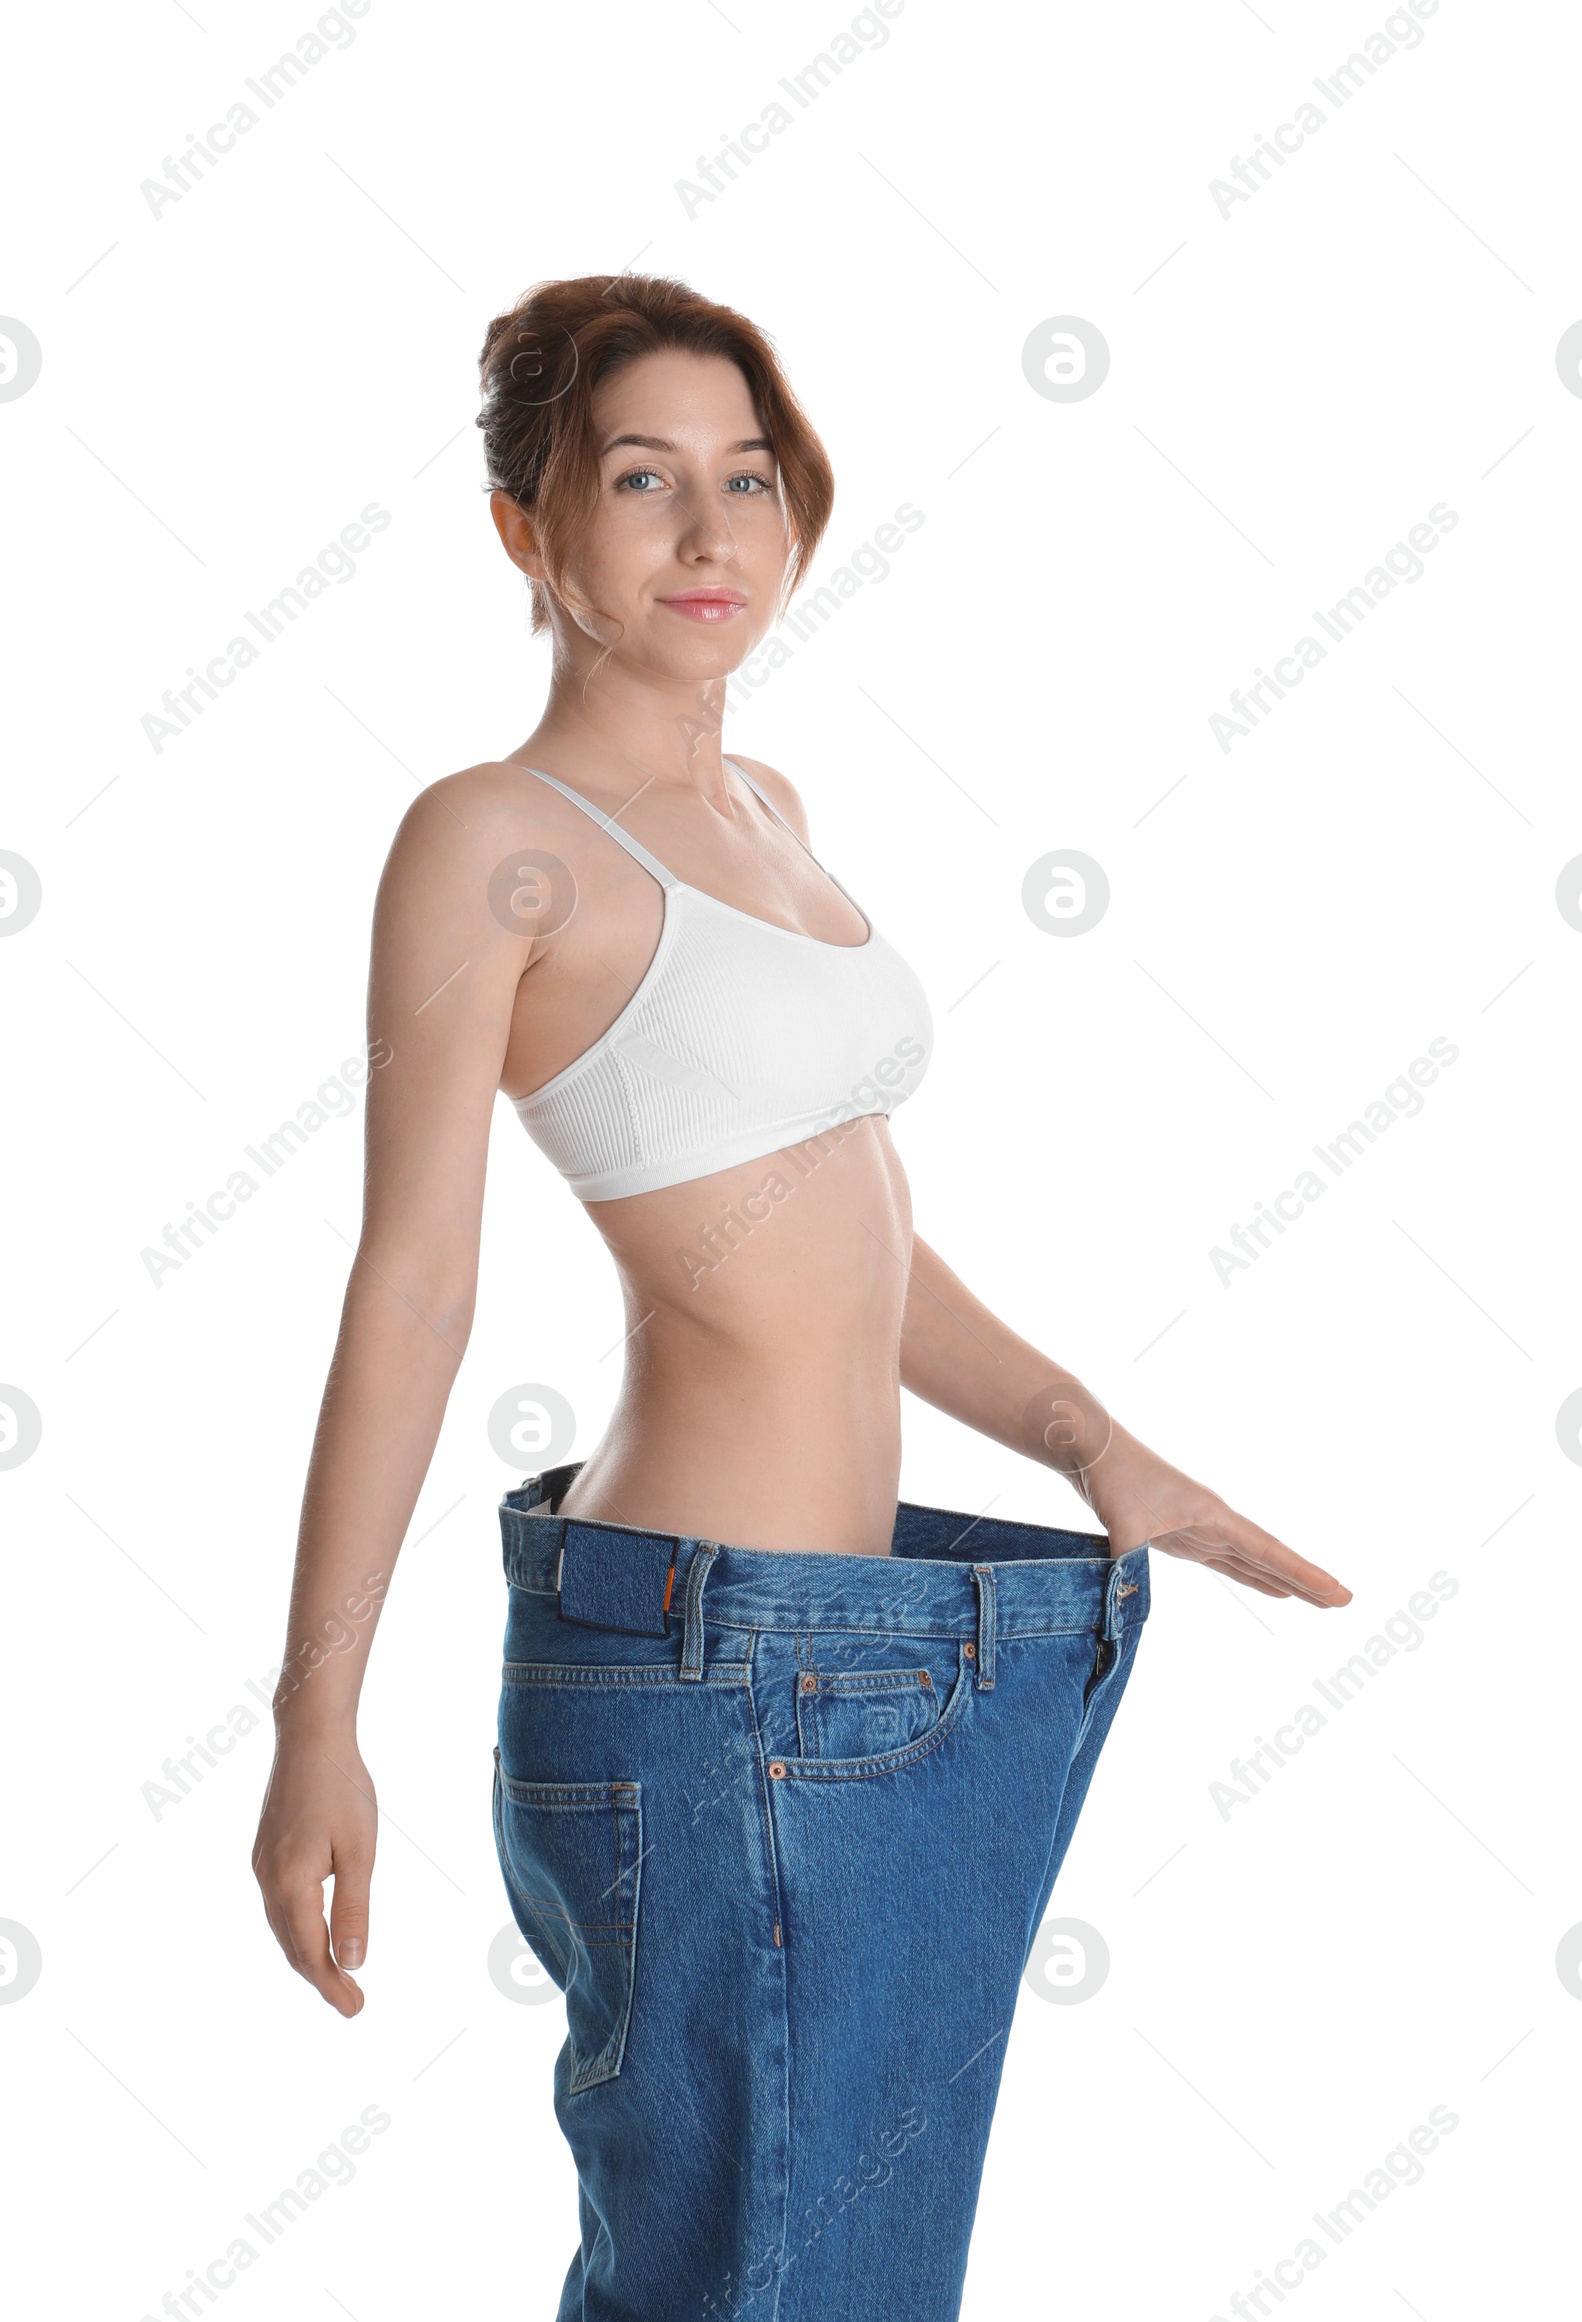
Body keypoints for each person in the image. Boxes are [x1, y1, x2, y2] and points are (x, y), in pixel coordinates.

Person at [252, 273, 1351, 2320]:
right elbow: (410, 1294)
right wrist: (316, 1717)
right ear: (528, 528)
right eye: (641, 480)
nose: (709, 536)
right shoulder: (495, 843)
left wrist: (1092, 1441)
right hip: (709, 1662)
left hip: (886, 1639)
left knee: (832, 2279)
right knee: (754, 2277)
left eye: (745, 479)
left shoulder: (771, 819)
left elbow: (849, 1241)